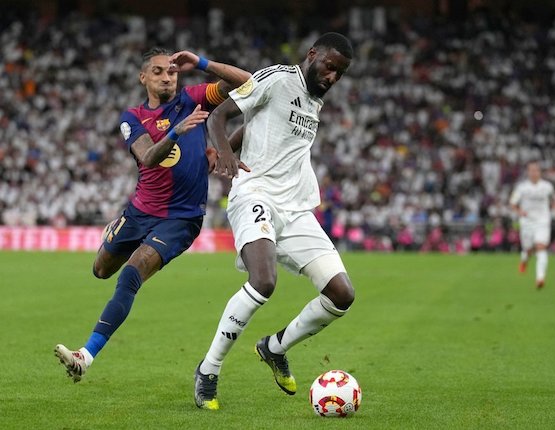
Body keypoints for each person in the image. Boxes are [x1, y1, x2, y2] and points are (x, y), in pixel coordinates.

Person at [54, 47, 251, 382]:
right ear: (143, 77)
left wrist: (202, 63)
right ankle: (120, 234)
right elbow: (147, 158)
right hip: (140, 211)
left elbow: (248, 83)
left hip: (181, 219)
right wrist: (177, 131)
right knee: (100, 269)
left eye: (172, 71)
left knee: (130, 275)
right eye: (158, 71)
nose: (167, 77)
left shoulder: (193, 98)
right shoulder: (132, 117)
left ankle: (84, 356)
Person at [193, 32, 355, 411]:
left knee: (342, 294)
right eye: (329, 67)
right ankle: (208, 370)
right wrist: (221, 155)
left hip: (297, 208)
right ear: (312, 54)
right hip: (256, 195)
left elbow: (255, 127)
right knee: (263, 281)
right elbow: (219, 114)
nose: (332, 77)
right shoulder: (278, 77)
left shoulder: (314, 101)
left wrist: (233, 146)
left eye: (340, 74)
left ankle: (274, 347)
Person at [510, 161, 555, 289]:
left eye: (536, 170)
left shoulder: (547, 186)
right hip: (527, 222)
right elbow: (513, 203)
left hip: (542, 221)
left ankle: (540, 278)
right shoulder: (522, 187)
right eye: (531, 170)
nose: (534, 173)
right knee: (528, 249)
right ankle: (524, 260)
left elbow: (554, 201)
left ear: (540, 172)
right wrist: (519, 211)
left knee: (541, 246)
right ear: (528, 172)